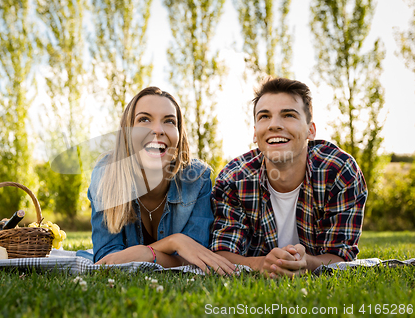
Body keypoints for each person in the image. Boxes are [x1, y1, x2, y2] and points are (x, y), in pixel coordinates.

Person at [210, 77, 367, 278]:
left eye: (288, 115)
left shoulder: (340, 171)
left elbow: (341, 256)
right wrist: (263, 263)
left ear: (311, 130)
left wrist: (307, 262)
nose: (274, 125)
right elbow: (222, 253)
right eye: (264, 116)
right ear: (255, 134)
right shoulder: (233, 178)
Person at [89, 86, 235, 275]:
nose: (157, 130)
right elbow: (106, 258)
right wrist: (174, 242)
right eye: (144, 119)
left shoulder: (197, 178)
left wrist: (146, 254)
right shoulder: (106, 174)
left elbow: (196, 258)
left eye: (169, 121)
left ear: (179, 134)